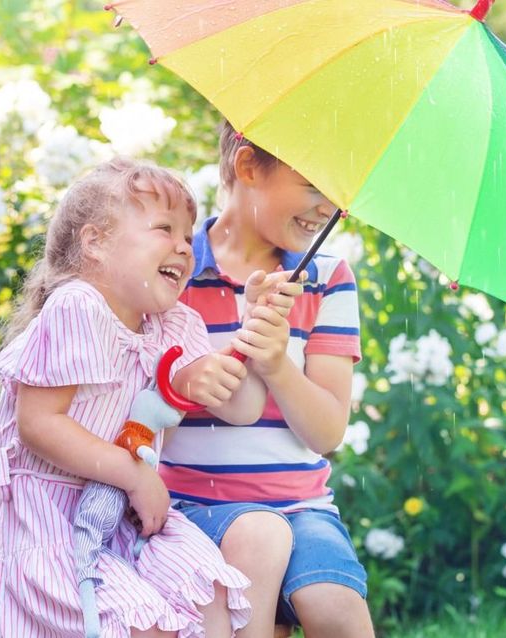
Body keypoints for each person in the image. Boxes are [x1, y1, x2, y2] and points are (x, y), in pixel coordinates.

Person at [0, 157, 287, 637]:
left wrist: (251, 338)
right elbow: (38, 425)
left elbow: (241, 408)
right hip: (56, 528)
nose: (184, 249)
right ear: (96, 242)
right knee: (144, 627)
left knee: (211, 595)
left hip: (126, 522)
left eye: (188, 237)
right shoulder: (77, 307)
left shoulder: (174, 326)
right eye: (164, 229)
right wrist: (136, 477)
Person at [160, 124, 376, 638]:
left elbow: (326, 432)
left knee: (336, 610)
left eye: (337, 194)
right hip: (193, 507)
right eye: (313, 187)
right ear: (249, 167)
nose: (330, 208)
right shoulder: (174, 268)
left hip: (300, 508)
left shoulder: (327, 279)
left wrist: (278, 364)